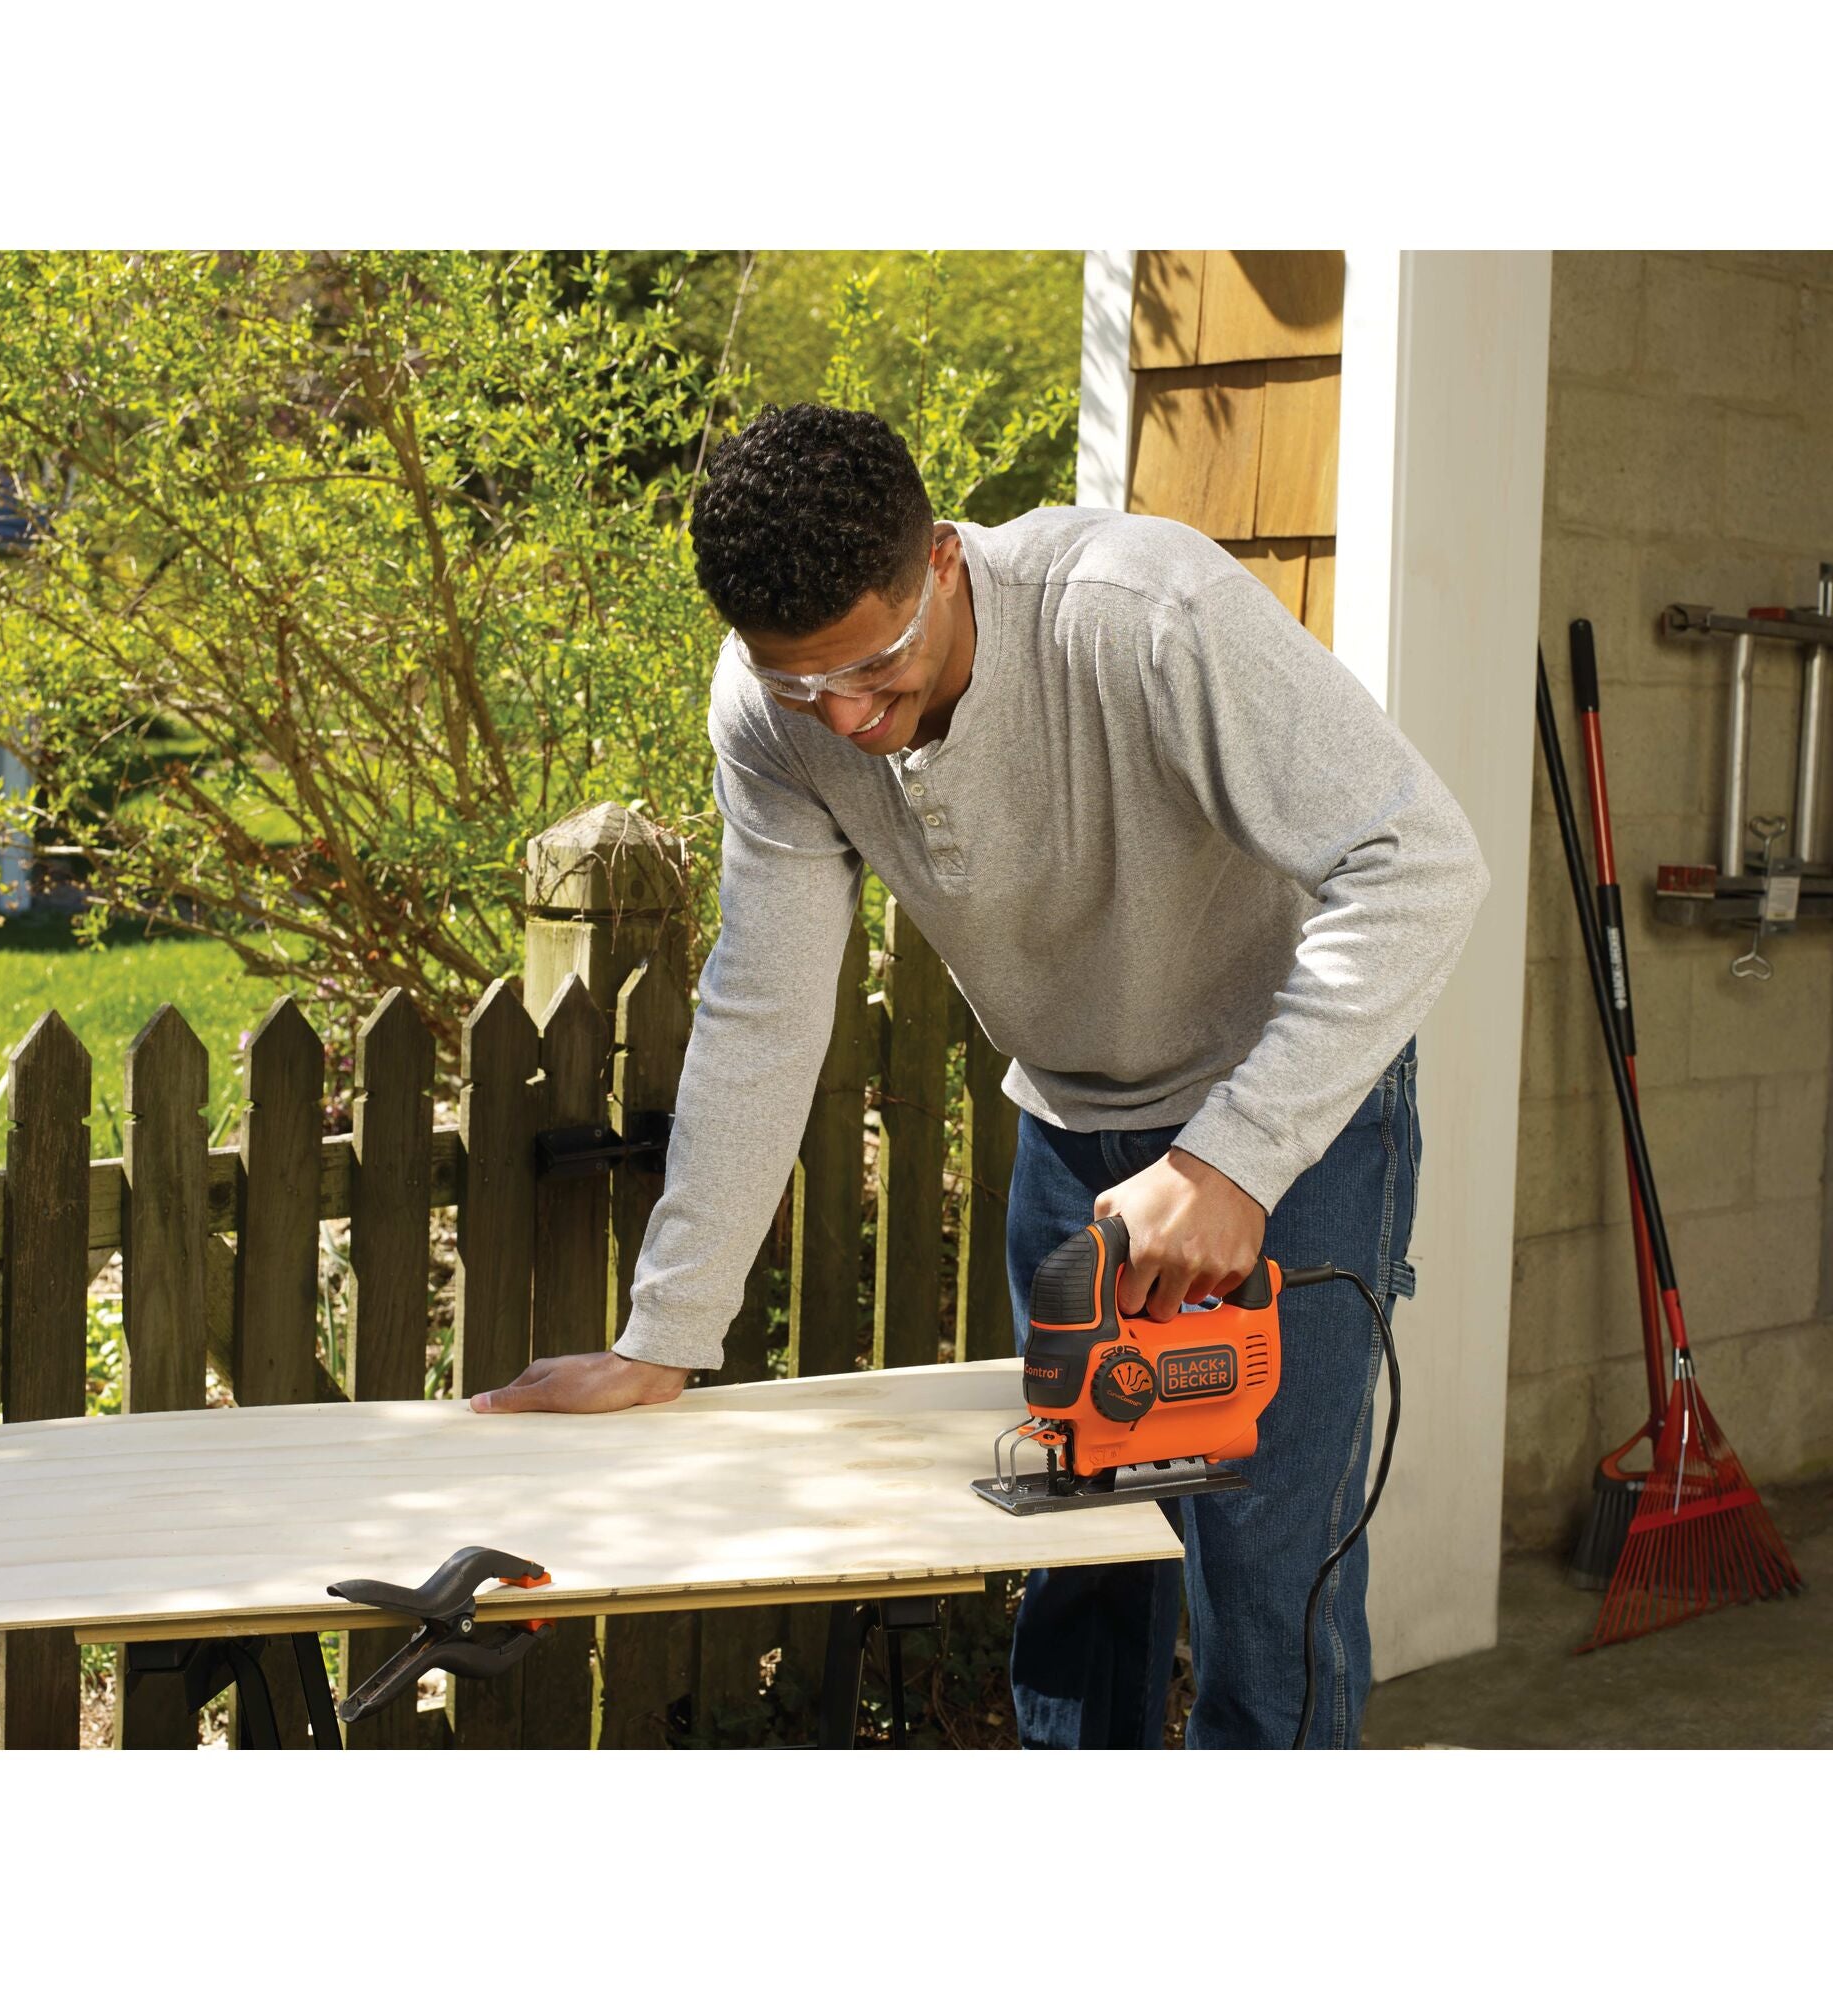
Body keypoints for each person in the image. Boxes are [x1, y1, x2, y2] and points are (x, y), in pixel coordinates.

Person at [470, 402, 1489, 1749]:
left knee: (1263, 1583)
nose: (848, 720)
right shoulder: (773, 716)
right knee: (1083, 1554)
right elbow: (767, 1006)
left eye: (878, 671)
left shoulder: (1141, 615)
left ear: (943, 562)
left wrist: (1234, 1160)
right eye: (803, 686)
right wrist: (666, 1334)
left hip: (1296, 1117)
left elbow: (1421, 861)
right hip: (1075, 1121)